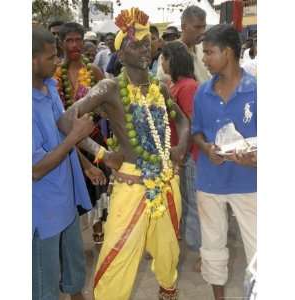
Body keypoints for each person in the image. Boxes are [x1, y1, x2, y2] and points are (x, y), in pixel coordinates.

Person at [57, 7, 190, 300]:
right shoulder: (109, 87)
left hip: (167, 179)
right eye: (134, 44)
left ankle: (168, 292)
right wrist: (102, 155)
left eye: (146, 43)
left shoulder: (160, 88)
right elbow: (66, 120)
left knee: (168, 249)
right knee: (119, 252)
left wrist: (180, 147)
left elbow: (182, 119)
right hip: (131, 182)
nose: (143, 49)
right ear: (121, 52)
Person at [192, 24, 257, 300]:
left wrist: (254, 160)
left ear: (228, 53)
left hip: (250, 184)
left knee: (260, 250)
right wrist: (206, 149)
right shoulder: (202, 93)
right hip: (210, 183)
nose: (204, 59)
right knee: (212, 248)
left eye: (209, 52)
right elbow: (196, 131)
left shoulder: (256, 91)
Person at [32, 26, 95, 300]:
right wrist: (75, 137)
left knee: (74, 267)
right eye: (50, 57)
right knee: (44, 282)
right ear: (31, 60)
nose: (57, 62)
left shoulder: (49, 88)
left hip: (65, 197)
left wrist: (89, 163)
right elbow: (35, 170)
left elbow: (62, 129)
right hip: (42, 209)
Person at [54, 22, 110, 245]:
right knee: (73, 187)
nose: (75, 44)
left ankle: (98, 226)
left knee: (97, 185)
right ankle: (72, 233)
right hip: (67, 141)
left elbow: (108, 100)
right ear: (62, 43)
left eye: (78, 39)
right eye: (69, 40)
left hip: (93, 136)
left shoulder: (94, 71)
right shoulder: (56, 75)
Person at [161, 41, 202, 256]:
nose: (161, 62)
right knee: (185, 201)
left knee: (194, 203)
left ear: (173, 60)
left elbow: (192, 123)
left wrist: (182, 154)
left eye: (164, 58)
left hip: (188, 155)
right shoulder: (173, 85)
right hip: (180, 154)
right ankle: (191, 241)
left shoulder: (188, 87)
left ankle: (201, 251)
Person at [157, 5, 211, 85]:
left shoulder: (204, 49)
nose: (202, 31)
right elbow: (165, 84)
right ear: (183, 27)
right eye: (197, 27)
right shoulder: (170, 53)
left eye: (204, 27)